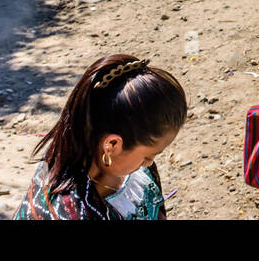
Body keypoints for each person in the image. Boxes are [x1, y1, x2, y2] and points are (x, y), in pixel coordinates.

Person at [16, 54, 187, 220]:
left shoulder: (121, 165)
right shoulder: (68, 212)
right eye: (148, 156)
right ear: (112, 144)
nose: (149, 163)